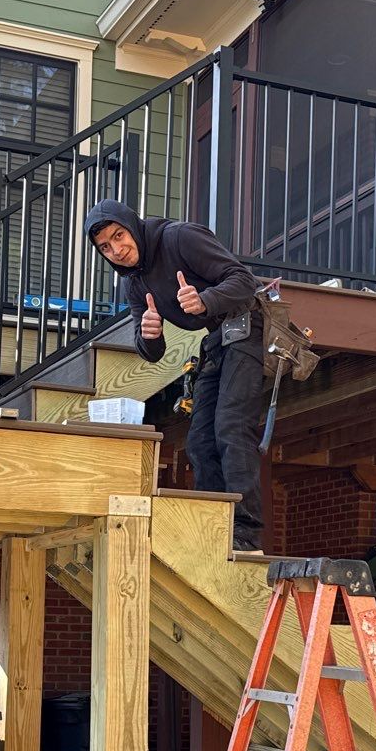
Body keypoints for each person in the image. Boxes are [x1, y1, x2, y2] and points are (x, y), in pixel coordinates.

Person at [83, 201, 264, 550]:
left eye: (119, 236)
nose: (117, 250)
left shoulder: (179, 237)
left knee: (230, 426)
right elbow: (151, 352)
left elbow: (244, 281)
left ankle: (245, 534)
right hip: (217, 338)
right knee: (198, 440)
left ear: (131, 227)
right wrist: (150, 336)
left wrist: (207, 300)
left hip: (247, 324)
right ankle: (214, 531)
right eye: (105, 247)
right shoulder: (134, 285)